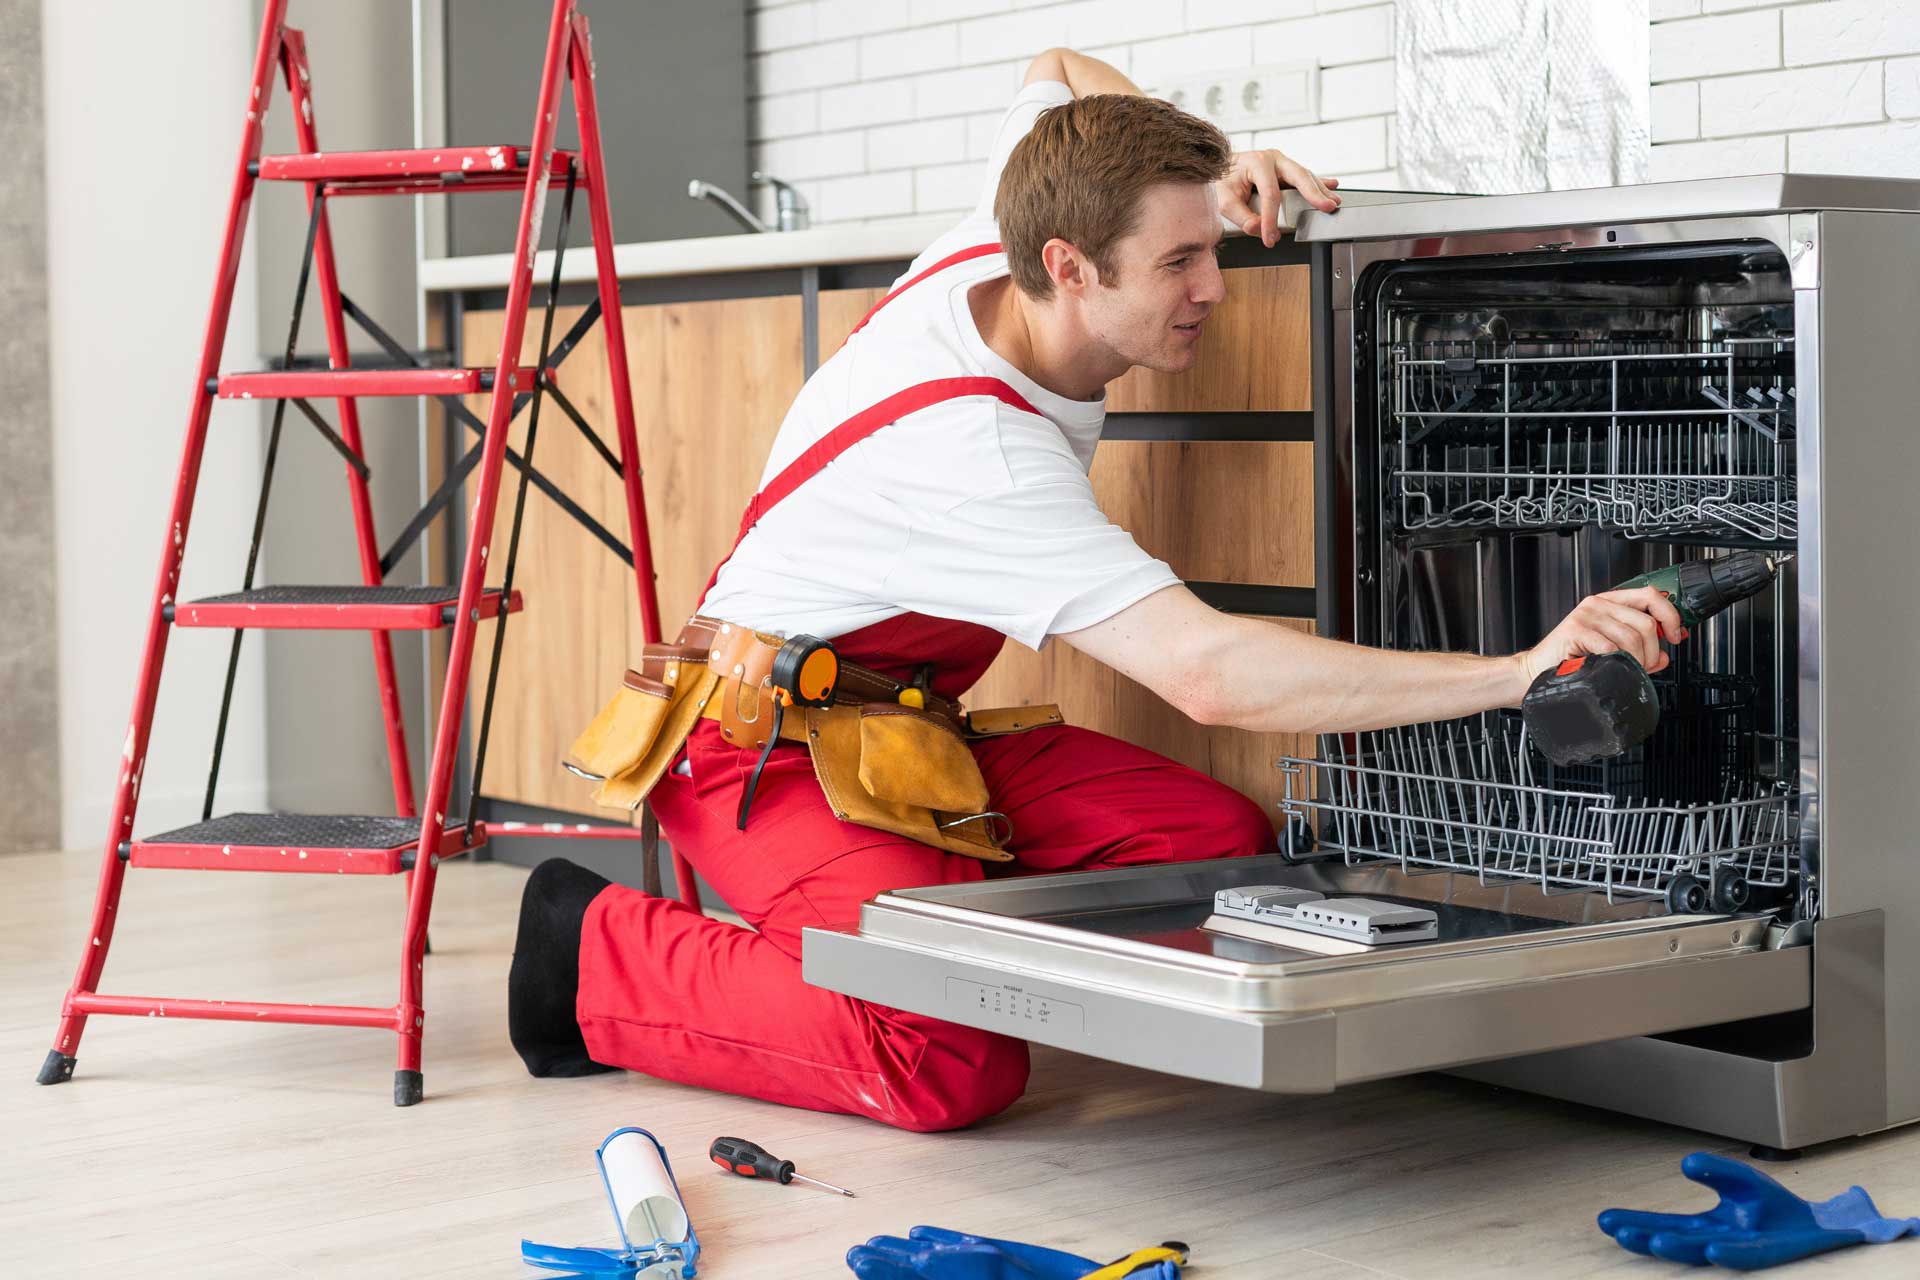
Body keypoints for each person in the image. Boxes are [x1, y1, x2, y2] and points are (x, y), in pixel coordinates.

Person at [506, 48, 1686, 1131]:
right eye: (1179, 260)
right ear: (1068, 268)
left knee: (1213, 846)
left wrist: (1213, 174)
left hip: (898, 730)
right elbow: (1210, 675)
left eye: (1207, 247)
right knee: (940, 1058)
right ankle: (587, 950)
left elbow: (1056, 68)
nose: (1214, 287)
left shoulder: (1002, 234)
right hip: (756, 748)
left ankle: (917, 921)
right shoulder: (979, 455)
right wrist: (1521, 668)